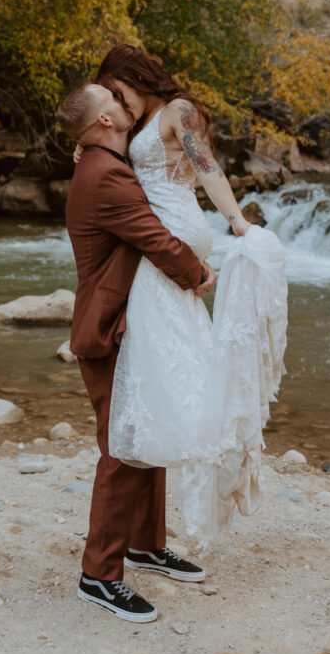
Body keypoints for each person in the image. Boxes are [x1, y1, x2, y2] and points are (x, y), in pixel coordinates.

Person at [91, 44, 287, 545]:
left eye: (118, 91)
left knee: (168, 361)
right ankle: (159, 455)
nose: (116, 102)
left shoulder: (178, 111)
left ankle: (176, 435)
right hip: (163, 242)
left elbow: (207, 167)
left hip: (172, 239)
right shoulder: (139, 122)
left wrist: (237, 221)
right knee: (176, 355)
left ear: (137, 77)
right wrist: (87, 144)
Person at [56, 81, 217, 624]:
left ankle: (145, 545)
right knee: (122, 445)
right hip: (108, 327)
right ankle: (98, 575)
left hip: (128, 319)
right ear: (104, 121)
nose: (125, 107)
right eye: (114, 102)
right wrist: (197, 275)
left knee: (145, 428)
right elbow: (154, 237)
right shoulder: (106, 176)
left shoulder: (102, 164)